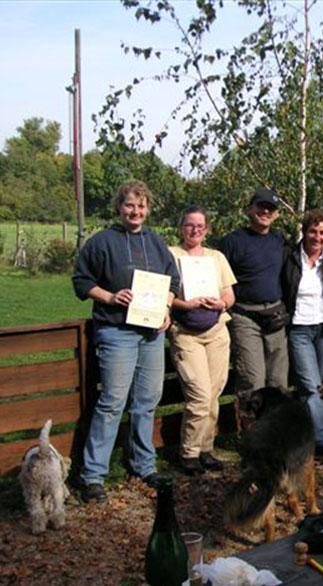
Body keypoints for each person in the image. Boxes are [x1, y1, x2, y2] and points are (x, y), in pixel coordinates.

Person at [72, 180, 180, 503]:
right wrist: (110, 295)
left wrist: (166, 308)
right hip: (116, 331)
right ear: (119, 207)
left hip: (150, 334)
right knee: (112, 403)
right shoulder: (102, 242)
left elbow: (172, 280)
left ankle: (143, 465)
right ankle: (92, 476)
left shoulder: (156, 243)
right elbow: (81, 280)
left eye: (141, 206)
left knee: (147, 401)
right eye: (130, 205)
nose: (136, 211)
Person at [168, 205, 236, 475]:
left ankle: (206, 448)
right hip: (186, 334)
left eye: (200, 226)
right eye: (189, 225)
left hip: (216, 331)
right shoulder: (171, 255)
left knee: (214, 394)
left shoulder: (216, 257)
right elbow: (165, 293)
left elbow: (229, 295)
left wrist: (221, 302)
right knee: (199, 394)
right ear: (181, 227)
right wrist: (185, 304)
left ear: (207, 230)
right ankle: (189, 453)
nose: (194, 230)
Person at [282, 209, 323, 461]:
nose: (317, 237)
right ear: (305, 231)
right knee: (309, 386)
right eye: (313, 231)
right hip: (299, 329)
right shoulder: (290, 257)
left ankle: (313, 436)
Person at [219, 188, 288, 394]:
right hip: (245, 318)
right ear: (250, 209)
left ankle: (276, 427)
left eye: (271, 208)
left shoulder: (280, 241)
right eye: (261, 206)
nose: (265, 212)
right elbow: (216, 276)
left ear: (276, 214)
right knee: (252, 381)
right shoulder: (232, 242)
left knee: (278, 382)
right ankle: (252, 426)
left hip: (275, 316)